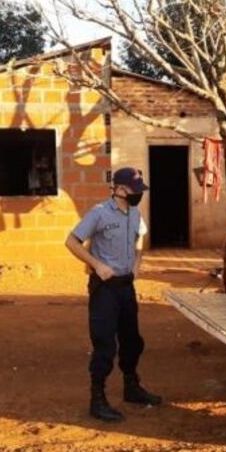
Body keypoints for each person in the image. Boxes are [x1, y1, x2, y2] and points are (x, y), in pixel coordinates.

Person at [65, 168, 162, 422]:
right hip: (104, 289)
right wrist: (96, 264)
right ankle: (97, 399)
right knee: (105, 343)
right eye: (134, 190)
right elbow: (72, 242)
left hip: (126, 286)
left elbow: (140, 237)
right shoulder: (99, 213)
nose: (138, 194)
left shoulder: (135, 214)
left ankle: (132, 387)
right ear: (119, 189)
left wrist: (138, 263)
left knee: (132, 341)